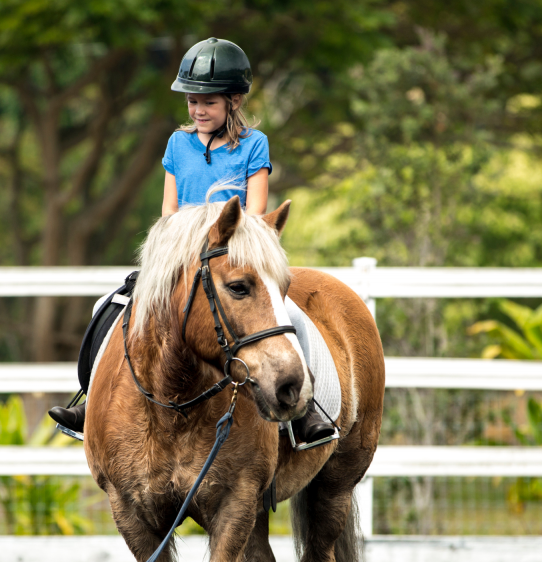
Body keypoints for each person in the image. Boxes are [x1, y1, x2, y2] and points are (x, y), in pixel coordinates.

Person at [49, 38, 335, 447]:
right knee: (106, 307)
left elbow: (254, 212)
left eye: (208, 102)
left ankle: (304, 413)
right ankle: (90, 399)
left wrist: (223, 243)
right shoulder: (177, 144)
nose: (198, 110)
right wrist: (175, 253)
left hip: (233, 254)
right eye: (192, 101)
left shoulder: (255, 144)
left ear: (234, 101)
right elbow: (169, 211)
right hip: (182, 259)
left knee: (290, 316)